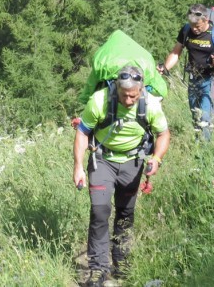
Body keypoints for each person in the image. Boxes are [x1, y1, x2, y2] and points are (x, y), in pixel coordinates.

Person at [73, 66, 170, 287]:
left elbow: (163, 134)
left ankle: (122, 262)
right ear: (116, 87)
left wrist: (156, 158)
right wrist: (78, 166)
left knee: (125, 212)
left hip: (132, 163)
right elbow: (82, 132)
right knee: (99, 211)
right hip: (102, 160)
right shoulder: (100, 100)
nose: (128, 100)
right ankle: (98, 270)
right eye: (124, 95)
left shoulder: (150, 104)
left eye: (133, 96)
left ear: (141, 90)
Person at [162, 4, 214, 141]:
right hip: (194, 78)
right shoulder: (185, 31)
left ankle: (204, 148)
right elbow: (175, 52)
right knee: (195, 114)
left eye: (198, 26)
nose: (194, 29)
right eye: (191, 25)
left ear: (206, 20)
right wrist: (165, 68)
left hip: (213, 78)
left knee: (205, 115)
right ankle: (198, 140)